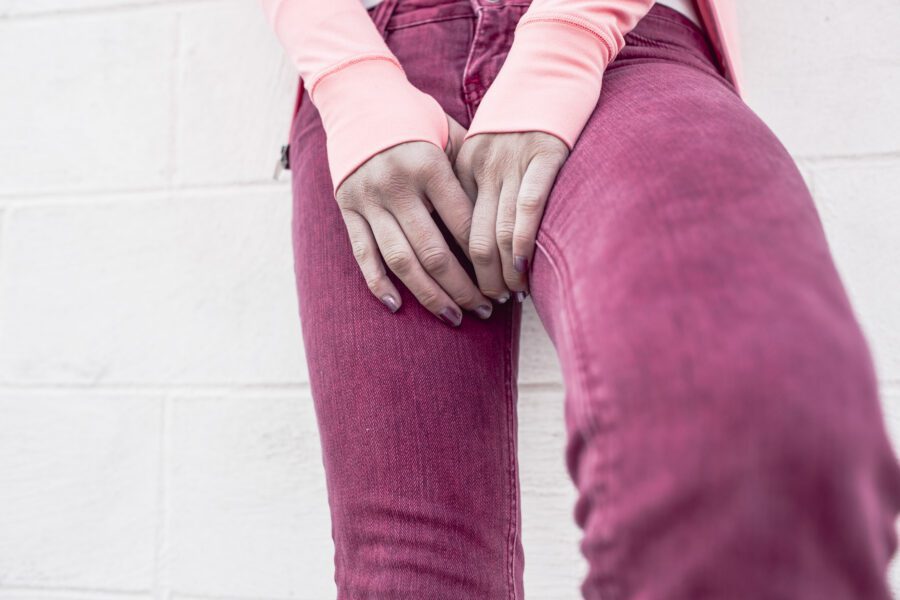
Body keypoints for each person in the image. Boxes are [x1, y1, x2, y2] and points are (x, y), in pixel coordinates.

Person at [262, 0, 900, 597]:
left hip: (629, 44)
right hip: (377, 66)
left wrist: (566, 41)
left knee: (755, 423)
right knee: (410, 568)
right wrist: (350, 77)